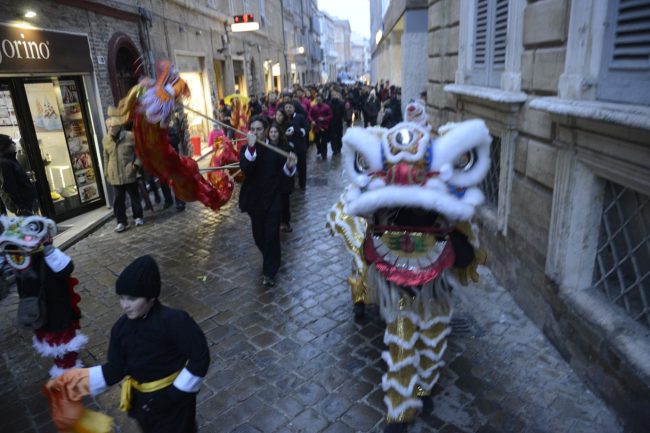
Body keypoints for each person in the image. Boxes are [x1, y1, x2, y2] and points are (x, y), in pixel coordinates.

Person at [70, 255, 210, 433]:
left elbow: (200, 358)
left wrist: (173, 395)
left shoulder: (175, 321)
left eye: (132, 299)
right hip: (141, 402)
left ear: (151, 298)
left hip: (174, 403)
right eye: (121, 298)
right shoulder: (120, 329)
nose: (124, 305)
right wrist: (76, 382)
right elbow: (116, 368)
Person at [239, 115, 297, 286]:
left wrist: (290, 165)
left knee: (271, 236)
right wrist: (250, 148)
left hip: (273, 200)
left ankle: (269, 272)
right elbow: (246, 168)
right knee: (259, 237)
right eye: (253, 129)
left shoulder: (275, 149)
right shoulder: (247, 150)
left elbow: (284, 173)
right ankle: (272, 257)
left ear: (265, 130)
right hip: (254, 202)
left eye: (259, 129)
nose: (256, 132)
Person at [103, 121, 144, 232]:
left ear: (119, 126)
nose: (112, 129)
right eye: (110, 127)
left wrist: (135, 166)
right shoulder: (106, 139)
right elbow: (106, 158)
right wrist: (106, 173)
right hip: (115, 174)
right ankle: (121, 221)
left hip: (129, 172)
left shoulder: (130, 136)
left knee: (134, 197)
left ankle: (138, 217)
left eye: (114, 127)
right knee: (118, 200)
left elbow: (140, 152)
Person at [0, 134, 37, 216]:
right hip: (22, 204)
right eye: (11, 143)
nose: (14, 144)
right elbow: (9, 187)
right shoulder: (4, 163)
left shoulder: (10, 159)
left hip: (26, 201)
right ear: (4, 147)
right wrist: (20, 206)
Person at [160, 121, 186, 211]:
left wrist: (165, 139)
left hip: (172, 160)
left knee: (176, 181)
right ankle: (168, 200)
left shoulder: (170, 128)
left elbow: (176, 140)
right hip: (161, 161)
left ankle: (180, 202)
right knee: (163, 182)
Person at [283, 101, 308, 190]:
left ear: (294, 108)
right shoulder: (284, 118)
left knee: (301, 167)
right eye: (286, 107)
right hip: (288, 148)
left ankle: (302, 184)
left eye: (290, 107)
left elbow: (306, 128)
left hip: (300, 147)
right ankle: (291, 185)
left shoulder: (300, 117)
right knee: (290, 165)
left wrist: (296, 129)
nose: (288, 109)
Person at [308, 94, 333, 160]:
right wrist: (312, 121)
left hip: (324, 127)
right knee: (316, 140)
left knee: (324, 141)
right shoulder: (313, 107)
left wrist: (324, 118)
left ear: (322, 99)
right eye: (317, 99)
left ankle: (324, 154)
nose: (318, 100)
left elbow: (330, 115)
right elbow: (309, 115)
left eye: (320, 99)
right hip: (316, 127)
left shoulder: (326, 107)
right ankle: (319, 150)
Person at [328, 90, 345, 155]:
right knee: (332, 137)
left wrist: (343, 118)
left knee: (339, 136)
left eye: (335, 95)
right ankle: (334, 149)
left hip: (339, 122)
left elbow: (343, 112)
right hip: (331, 123)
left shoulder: (341, 103)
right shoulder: (329, 103)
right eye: (332, 95)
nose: (334, 96)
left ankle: (339, 148)